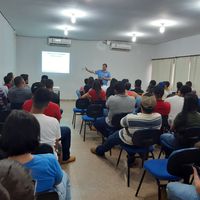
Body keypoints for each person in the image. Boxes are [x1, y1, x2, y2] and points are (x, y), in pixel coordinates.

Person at [0, 110, 71, 200]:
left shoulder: (3, 169)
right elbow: (58, 181)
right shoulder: (49, 160)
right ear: (35, 136)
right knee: (64, 175)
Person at [91, 93, 162, 156]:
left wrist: (135, 113)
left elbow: (122, 123)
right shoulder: (159, 117)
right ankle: (131, 159)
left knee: (111, 138)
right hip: (147, 142)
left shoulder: (131, 117)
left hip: (130, 141)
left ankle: (99, 151)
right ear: (154, 106)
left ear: (141, 105)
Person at [31, 87, 75, 164]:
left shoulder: (21, 120)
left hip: (29, 158)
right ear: (48, 104)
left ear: (32, 98)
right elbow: (56, 144)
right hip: (50, 160)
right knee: (66, 130)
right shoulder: (53, 121)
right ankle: (65, 158)